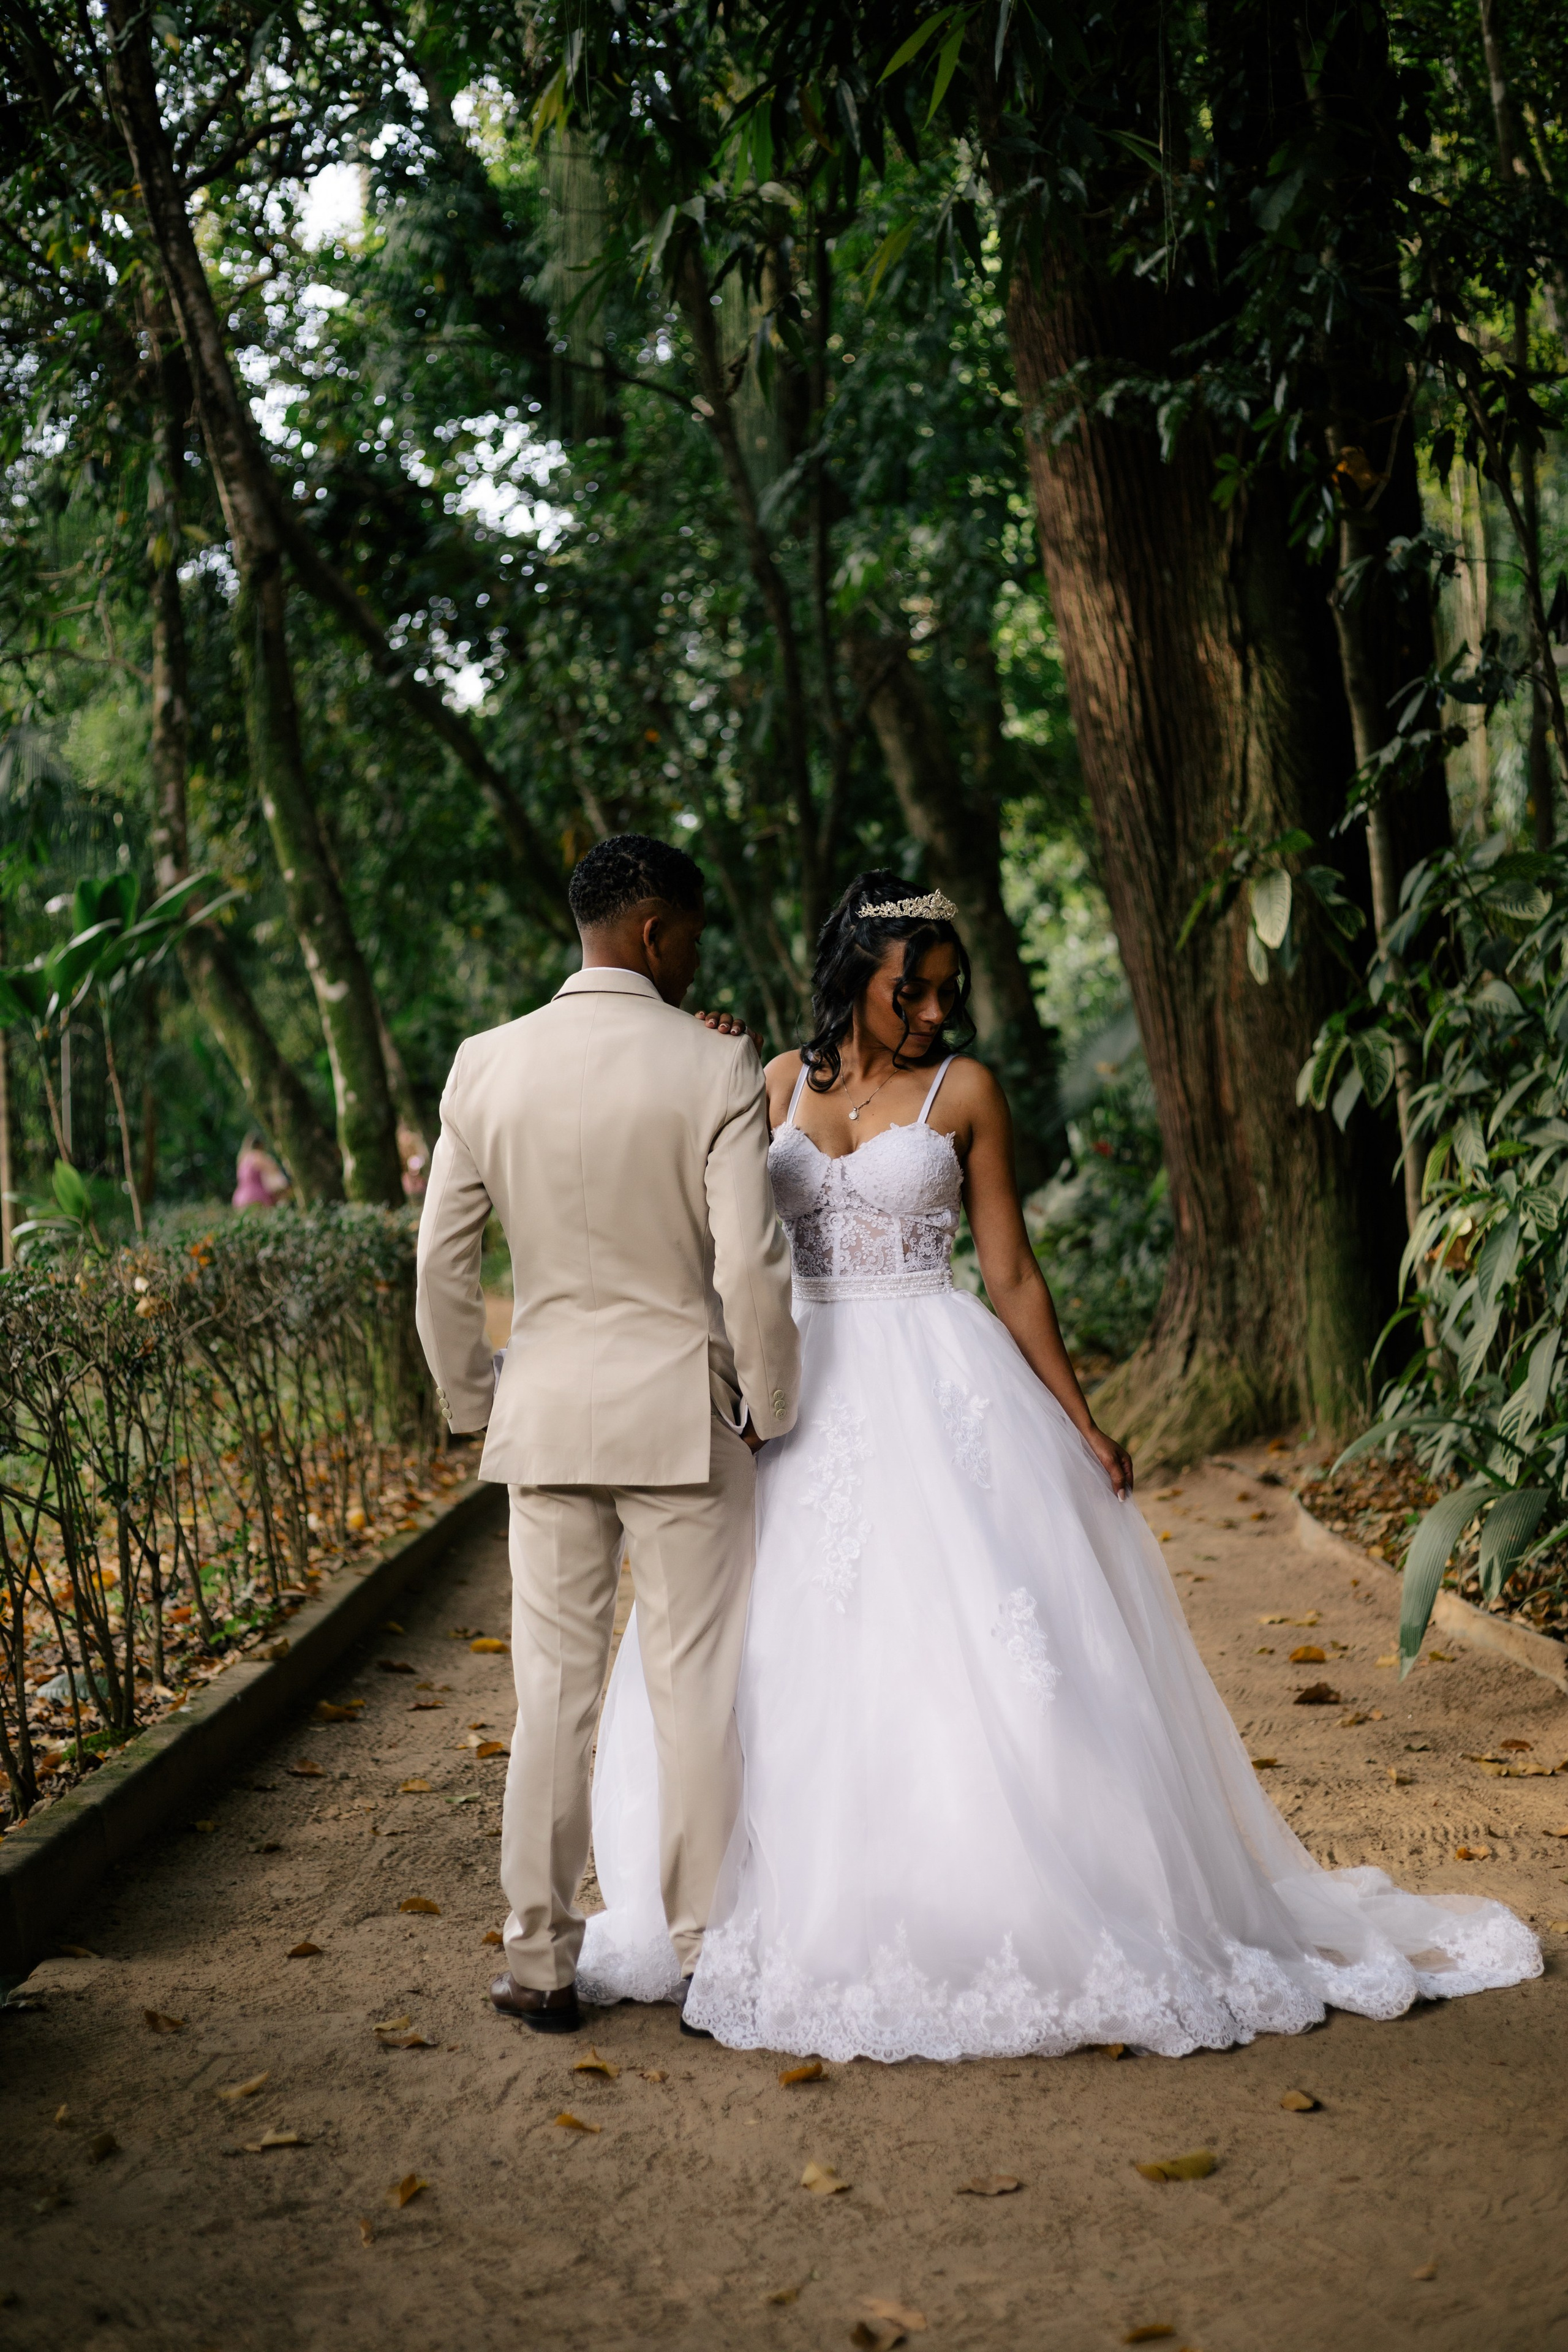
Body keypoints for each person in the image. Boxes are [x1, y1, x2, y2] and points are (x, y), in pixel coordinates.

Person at [579, 870, 1541, 2061]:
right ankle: (714, 1898)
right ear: (852, 980)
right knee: (766, 1647)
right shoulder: (772, 1080)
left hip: (937, 1373)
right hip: (799, 1392)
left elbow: (1014, 1273)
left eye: (945, 990)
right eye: (910, 990)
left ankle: (1004, 1886)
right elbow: (719, 1230)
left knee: (978, 1642)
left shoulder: (965, 1091)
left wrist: (1078, 1418)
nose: (934, 1010)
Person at [414, 834, 800, 2035]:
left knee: (553, 1696)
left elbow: (439, 1263)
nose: (695, 959)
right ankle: (701, 1959)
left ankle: (537, 1961)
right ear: (650, 933)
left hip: (546, 1418)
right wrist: (771, 1406)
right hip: (682, 1416)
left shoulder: (485, 1064)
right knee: (691, 1688)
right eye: (689, 936)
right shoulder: (711, 1066)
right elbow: (748, 1257)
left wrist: (478, 1400)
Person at [232, 1132, 289, 1210]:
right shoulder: (258, 1157)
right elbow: (275, 1169)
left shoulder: (242, 1159)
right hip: (256, 1197)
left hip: (240, 1198)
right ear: (260, 1145)